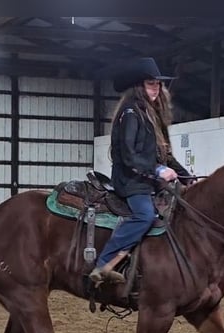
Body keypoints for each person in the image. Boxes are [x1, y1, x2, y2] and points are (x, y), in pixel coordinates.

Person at [89, 57, 193, 285]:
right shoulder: (130, 114)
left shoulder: (153, 117)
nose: (155, 89)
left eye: (157, 84)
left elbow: (166, 155)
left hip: (146, 179)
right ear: (139, 87)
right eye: (150, 84)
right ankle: (103, 263)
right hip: (130, 180)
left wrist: (187, 176)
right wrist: (157, 171)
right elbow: (128, 155)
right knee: (145, 215)